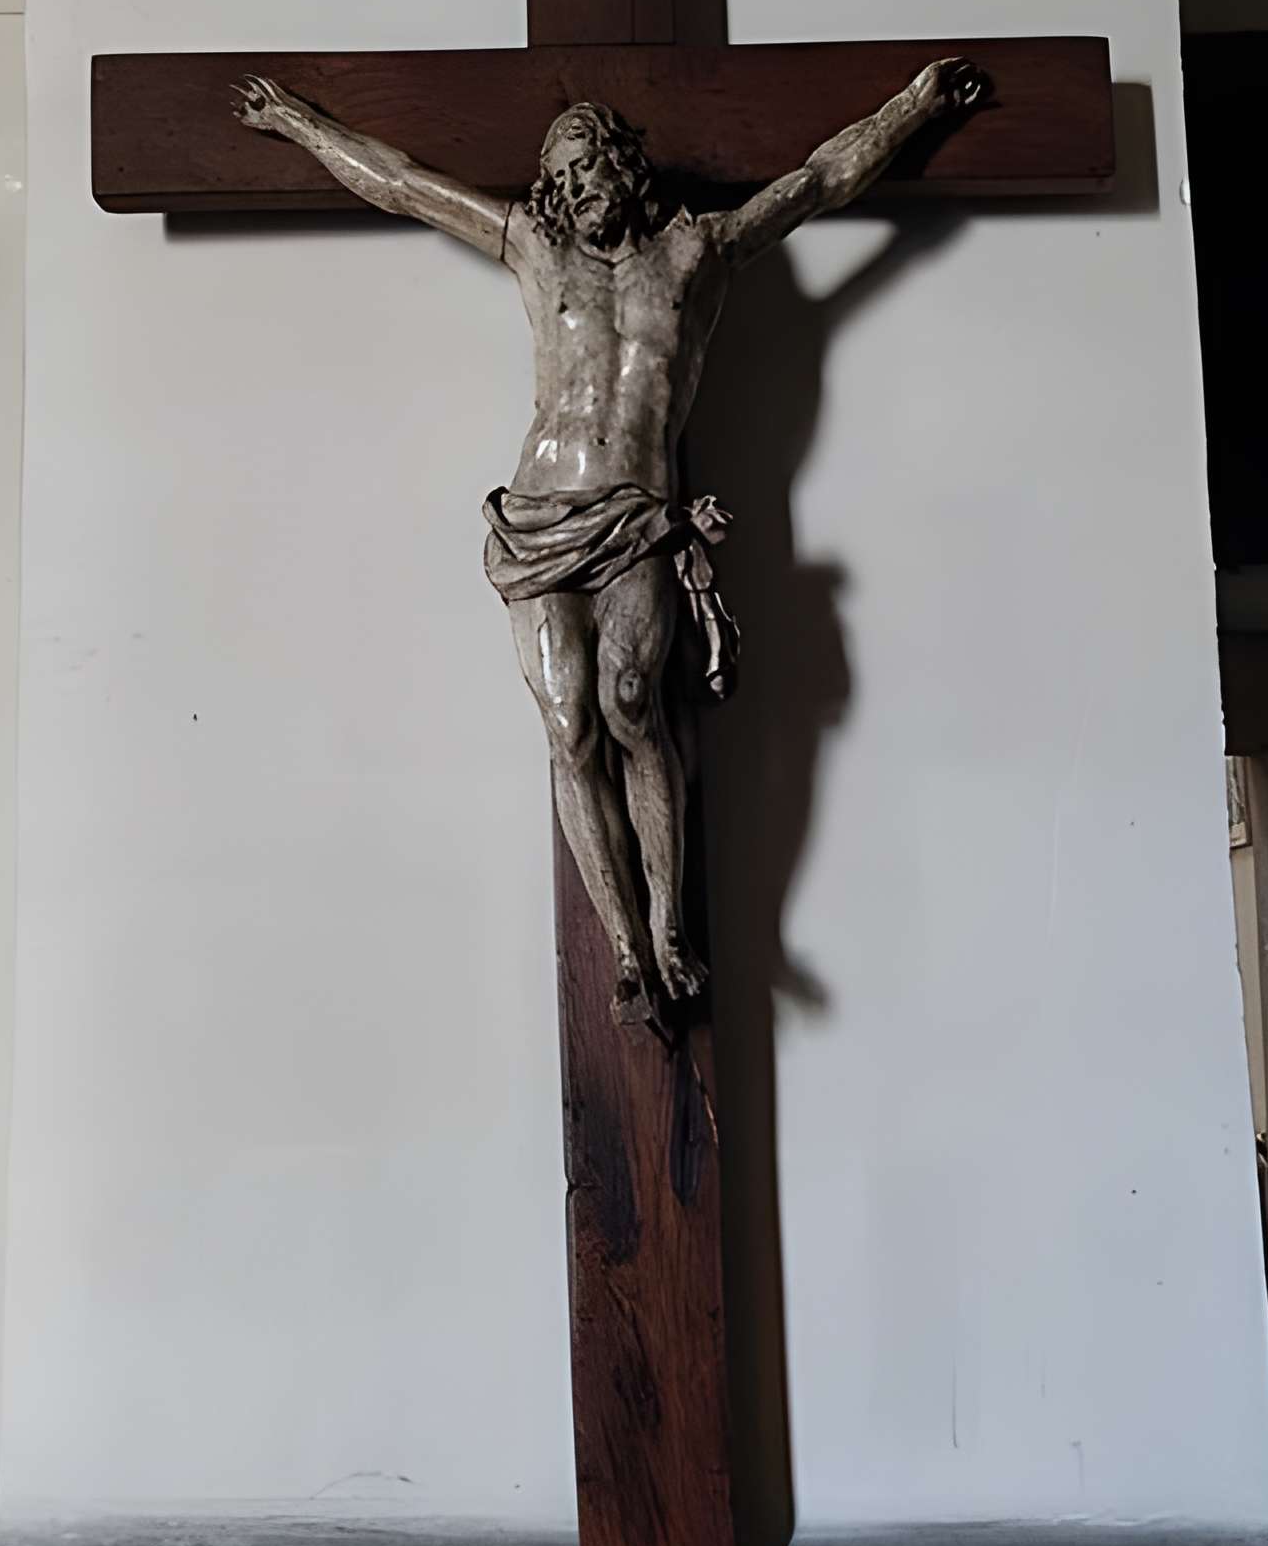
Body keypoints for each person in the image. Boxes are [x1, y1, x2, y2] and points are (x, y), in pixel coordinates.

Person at [237, 57, 984, 1020]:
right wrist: (297, 123)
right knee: (569, 725)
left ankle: (670, 926)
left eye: (591, 167)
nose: (578, 189)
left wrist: (914, 106)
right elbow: (402, 185)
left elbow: (819, 181)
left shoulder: (698, 255)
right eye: (563, 175)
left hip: (638, 518)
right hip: (541, 517)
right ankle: (627, 948)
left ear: (628, 168)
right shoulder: (532, 250)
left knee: (633, 702)